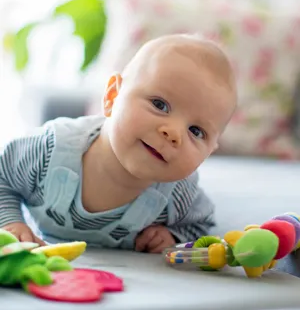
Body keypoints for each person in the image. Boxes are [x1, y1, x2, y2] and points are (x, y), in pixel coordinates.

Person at [0, 34, 237, 253]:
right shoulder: (48, 150)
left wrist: (171, 235)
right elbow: (3, 178)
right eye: (159, 104)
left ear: (210, 150)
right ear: (113, 96)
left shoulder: (179, 193)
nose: (174, 133)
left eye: (196, 131)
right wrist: (10, 222)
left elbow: (201, 223)